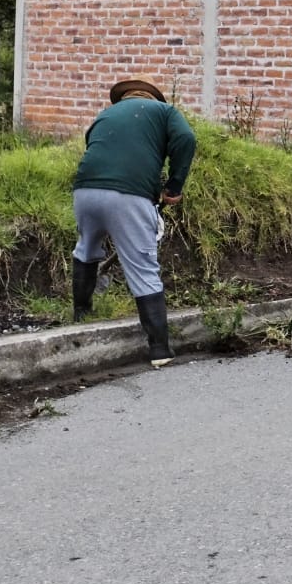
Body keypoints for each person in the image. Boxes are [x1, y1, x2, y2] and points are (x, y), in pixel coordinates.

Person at [71, 78, 197, 368]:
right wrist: (174, 187)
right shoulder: (165, 112)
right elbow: (186, 140)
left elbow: (93, 145)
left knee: (86, 249)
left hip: (85, 191)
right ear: (153, 98)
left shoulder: (105, 115)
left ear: (123, 99)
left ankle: (81, 315)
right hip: (129, 196)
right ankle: (160, 350)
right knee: (142, 267)